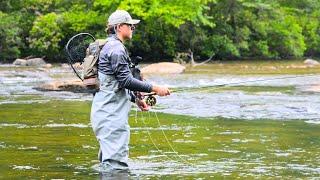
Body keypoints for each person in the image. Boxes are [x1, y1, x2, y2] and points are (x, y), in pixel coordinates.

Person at [90, 10, 170, 171]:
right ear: (119, 27)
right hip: (111, 118)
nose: (133, 28)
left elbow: (117, 83)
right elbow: (126, 80)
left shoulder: (107, 46)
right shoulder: (116, 49)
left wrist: (136, 100)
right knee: (116, 168)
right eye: (130, 25)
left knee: (108, 165)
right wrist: (156, 88)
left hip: (104, 114)